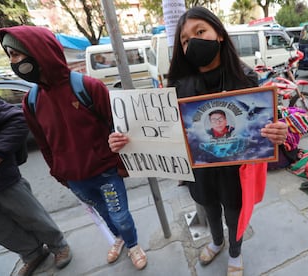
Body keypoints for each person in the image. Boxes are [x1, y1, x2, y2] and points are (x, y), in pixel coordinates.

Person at [109, 7, 287, 276]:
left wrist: (278, 132)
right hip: (200, 170)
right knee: (210, 211)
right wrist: (128, 140)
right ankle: (216, 242)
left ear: (219, 35)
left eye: (199, 31)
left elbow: (266, 120)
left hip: (236, 171)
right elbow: (159, 128)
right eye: (184, 39)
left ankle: (235, 253)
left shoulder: (246, 78)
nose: (191, 41)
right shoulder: (179, 85)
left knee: (234, 214)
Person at [0, 26, 147, 270]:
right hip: (76, 180)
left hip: (107, 173)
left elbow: (117, 127)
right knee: (105, 214)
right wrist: (59, 173)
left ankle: (132, 244)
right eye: (9, 55)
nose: (13, 61)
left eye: (15, 54)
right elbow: (45, 145)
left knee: (121, 216)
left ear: (37, 52)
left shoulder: (88, 87)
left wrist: (120, 166)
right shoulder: (30, 101)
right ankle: (119, 238)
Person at [0, 97, 72, 276]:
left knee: (30, 215)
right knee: (1, 229)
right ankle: (32, 254)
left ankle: (59, 245)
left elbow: (17, 120)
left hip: (2, 178)